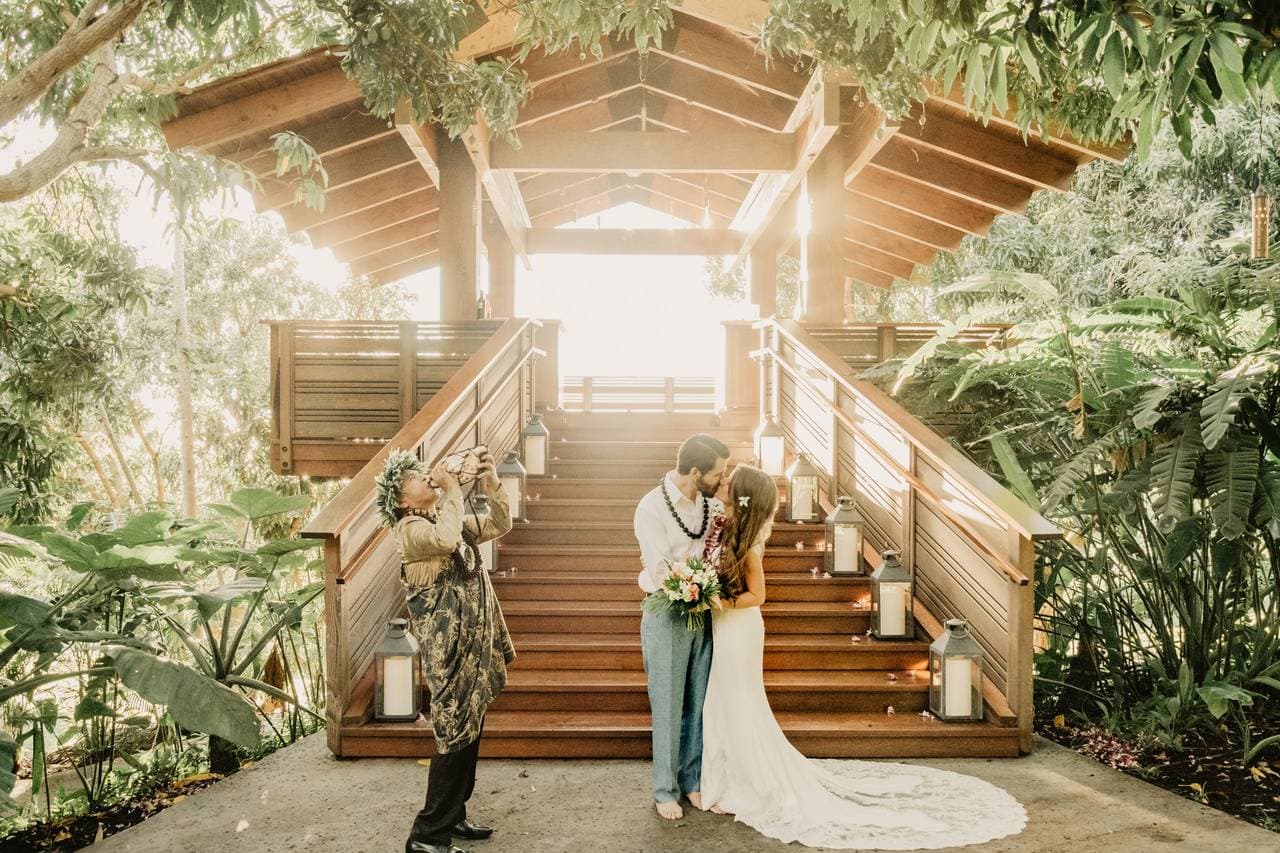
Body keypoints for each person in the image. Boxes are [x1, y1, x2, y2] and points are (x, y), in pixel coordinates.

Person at [697, 464, 1028, 850]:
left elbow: (759, 596)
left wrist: (716, 601)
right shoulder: (726, 527)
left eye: (728, 482)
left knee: (738, 700)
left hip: (738, 625)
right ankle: (728, 774)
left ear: (741, 495)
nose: (721, 483)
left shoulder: (749, 541)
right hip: (727, 626)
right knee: (724, 698)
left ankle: (744, 780)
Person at [375, 447, 514, 853]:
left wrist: (489, 481)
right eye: (419, 479)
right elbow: (447, 538)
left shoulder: (446, 516)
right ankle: (427, 835)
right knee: (453, 737)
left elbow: (500, 522)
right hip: (448, 652)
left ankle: (454, 815)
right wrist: (453, 489)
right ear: (403, 501)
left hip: (473, 644)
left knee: (470, 731)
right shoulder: (410, 531)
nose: (429, 479)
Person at [632, 433, 730, 820]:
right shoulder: (651, 506)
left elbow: (718, 554)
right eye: (718, 473)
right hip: (667, 609)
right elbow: (658, 567)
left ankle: (693, 781)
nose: (723, 479)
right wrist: (688, 589)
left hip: (706, 610)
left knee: (699, 700)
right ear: (695, 472)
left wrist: (709, 589)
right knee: (669, 702)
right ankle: (664, 789)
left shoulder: (714, 505)